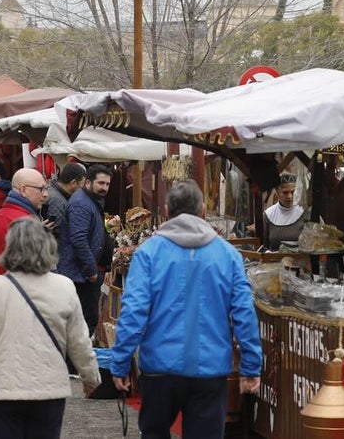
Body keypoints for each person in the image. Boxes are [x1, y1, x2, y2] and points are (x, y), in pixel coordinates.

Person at [110, 180, 262, 439]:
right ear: (203, 209)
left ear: (167, 209)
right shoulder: (228, 254)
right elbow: (244, 313)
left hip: (159, 365)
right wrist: (251, 365)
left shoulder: (148, 253)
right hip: (210, 366)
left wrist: (120, 362)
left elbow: (133, 312)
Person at [0, 218, 100, 438]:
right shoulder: (64, 287)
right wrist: (91, 377)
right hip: (49, 389)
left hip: (3, 390)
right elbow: (79, 341)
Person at [56, 165, 109, 338]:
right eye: (101, 183)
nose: (104, 188)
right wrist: (91, 270)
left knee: (86, 321)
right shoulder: (81, 203)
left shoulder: (89, 200)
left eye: (107, 184)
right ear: (87, 182)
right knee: (84, 322)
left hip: (83, 274)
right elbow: (78, 239)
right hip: (80, 276)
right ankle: (75, 363)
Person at [0, 169, 46, 281]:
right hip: (22, 292)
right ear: (23, 190)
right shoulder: (27, 224)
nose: (45, 194)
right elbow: (40, 268)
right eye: (41, 189)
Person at [260, 174, 308, 251]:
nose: (289, 196)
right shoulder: (268, 214)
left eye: (292, 192)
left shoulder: (304, 212)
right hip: (275, 261)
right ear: (277, 193)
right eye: (285, 193)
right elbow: (264, 245)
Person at [44, 162, 85, 241]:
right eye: (82, 184)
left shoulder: (51, 190)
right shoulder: (58, 201)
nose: (83, 188)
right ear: (73, 183)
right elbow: (58, 233)